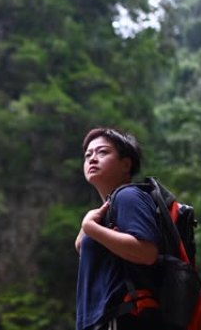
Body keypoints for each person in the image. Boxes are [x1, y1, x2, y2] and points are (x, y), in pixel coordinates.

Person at [75, 127, 162, 330]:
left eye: (102, 152)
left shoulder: (128, 196)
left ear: (126, 164)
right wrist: (88, 230)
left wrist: (90, 227)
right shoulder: (106, 210)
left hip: (122, 317)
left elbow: (147, 252)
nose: (92, 159)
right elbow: (89, 250)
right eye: (88, 155)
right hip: (103, 321)